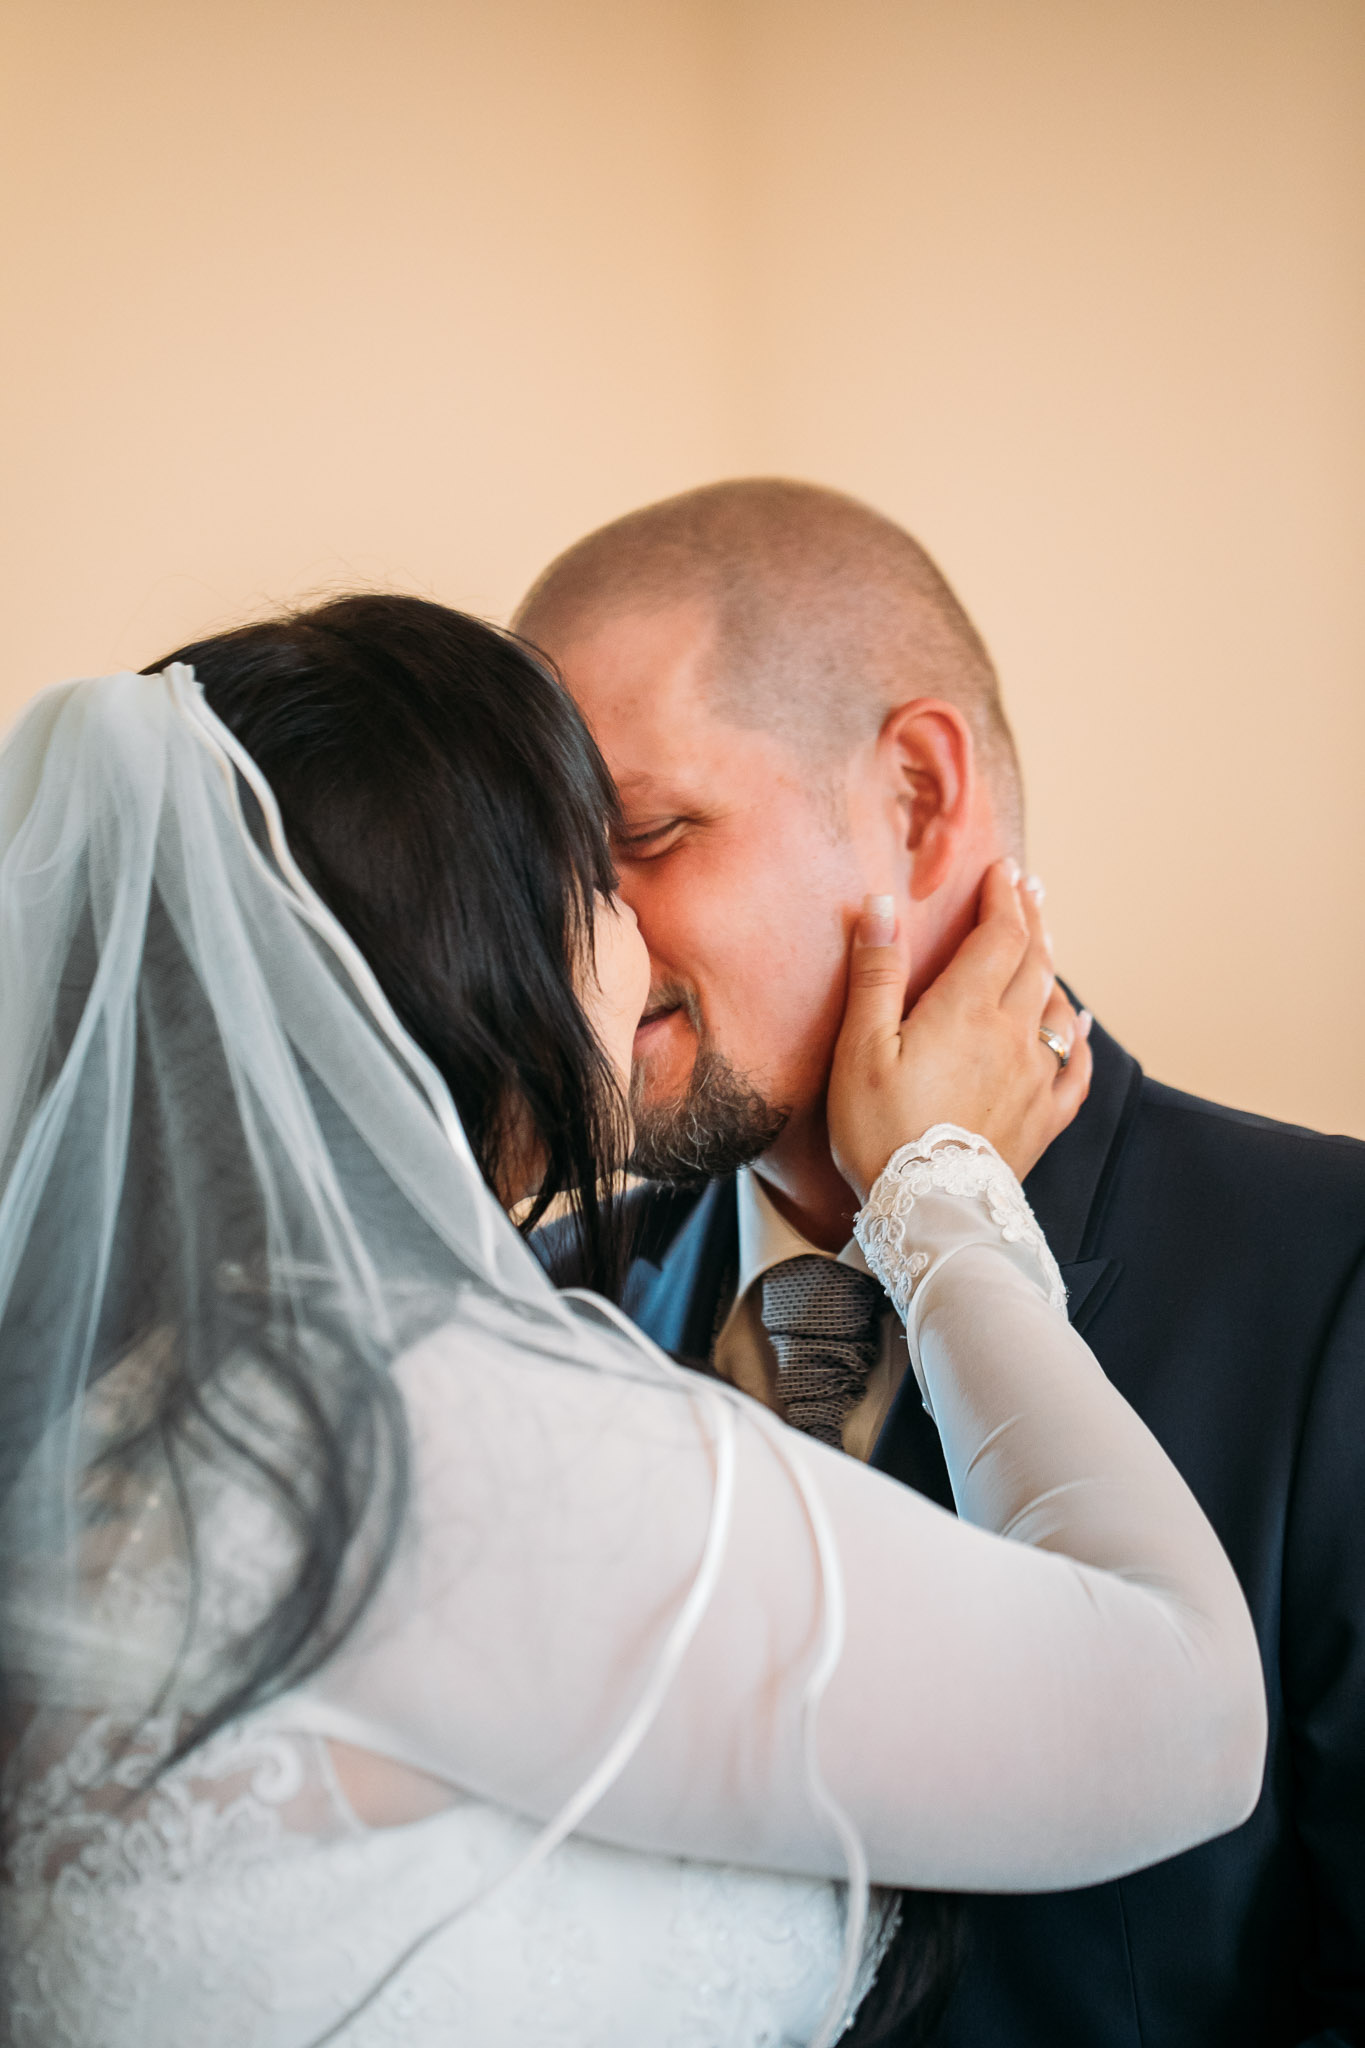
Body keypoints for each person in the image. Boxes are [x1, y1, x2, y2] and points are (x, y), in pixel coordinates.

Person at [0, 596, 1264, 2048]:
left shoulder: (113, 1396)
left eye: (649, 840)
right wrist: (934, 1195)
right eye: (594, 876)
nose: (631, 929)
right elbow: (1181, 1713)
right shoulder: (430, 1430)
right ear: (470, 946)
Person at [514, 481, 1365, 2048]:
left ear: (913, 794)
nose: (585, 943)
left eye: (644, 838)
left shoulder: (1327, 1283)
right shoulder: (529, 1319)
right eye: (546, 874)